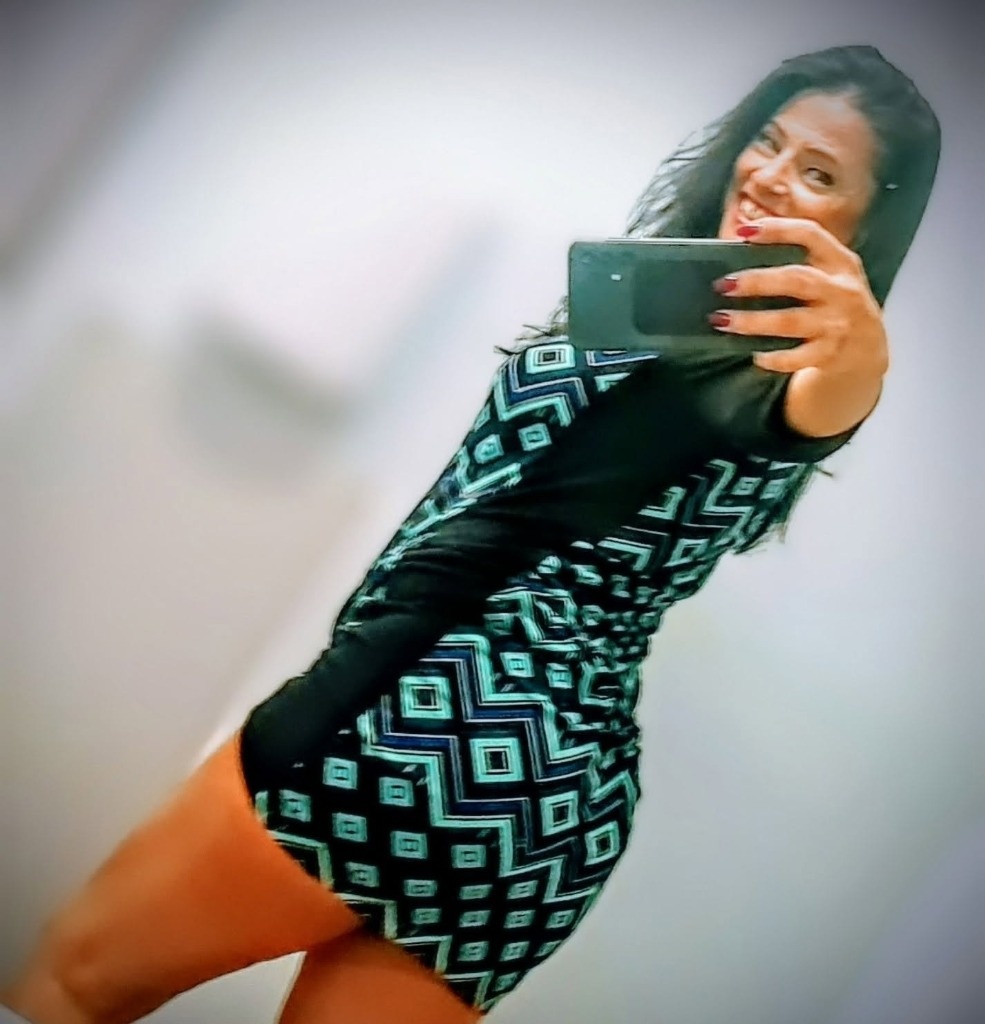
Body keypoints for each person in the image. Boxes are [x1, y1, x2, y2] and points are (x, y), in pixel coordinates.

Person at [1, 44, 940, 1024]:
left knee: (74, 981)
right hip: (555, 818)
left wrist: (862, 352)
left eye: (818, 175)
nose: (772, 176)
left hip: (411, 721)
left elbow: (836, 395)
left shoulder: (805, 372)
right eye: (769, 142)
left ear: (866, 227)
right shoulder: (676, 303)